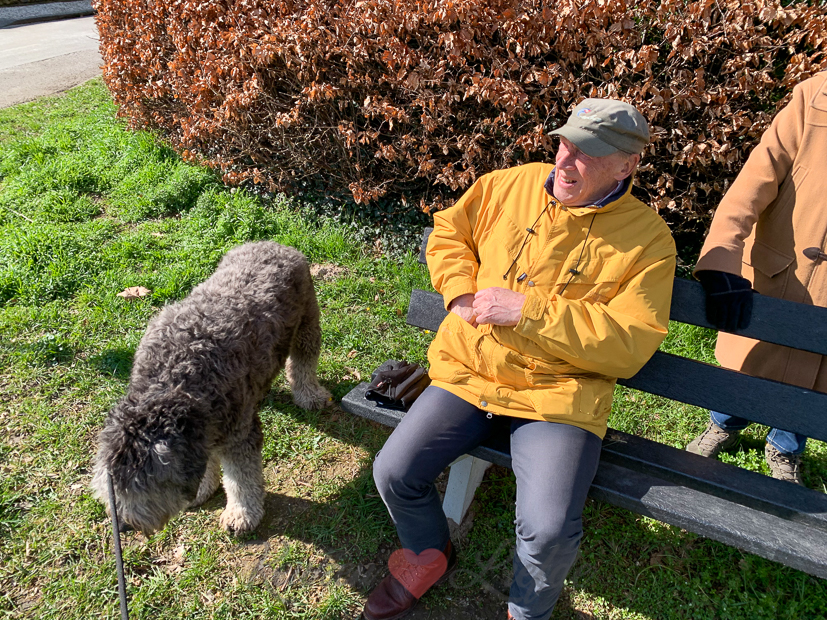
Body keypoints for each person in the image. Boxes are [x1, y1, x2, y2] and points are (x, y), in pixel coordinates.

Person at [361, 99, 677, 620]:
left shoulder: (649, 240)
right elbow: (449, 232)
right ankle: (427, 555)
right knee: (394, 472)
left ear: (627, 165)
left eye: (587, 154)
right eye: (564, 145)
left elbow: (629, 343)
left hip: (557, 394)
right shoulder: (510, 184)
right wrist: (460, 292)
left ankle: (527, 611)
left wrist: (527, 311)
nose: (566, 162)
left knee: (548, 529)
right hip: (471, 369)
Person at [686, 71, 827, 485]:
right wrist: (721, 257)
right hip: (779, 273)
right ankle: (723, 425)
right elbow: (753, 182)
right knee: (747, 367)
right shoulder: (816, 95)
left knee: (812, 381)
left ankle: (785, 447)